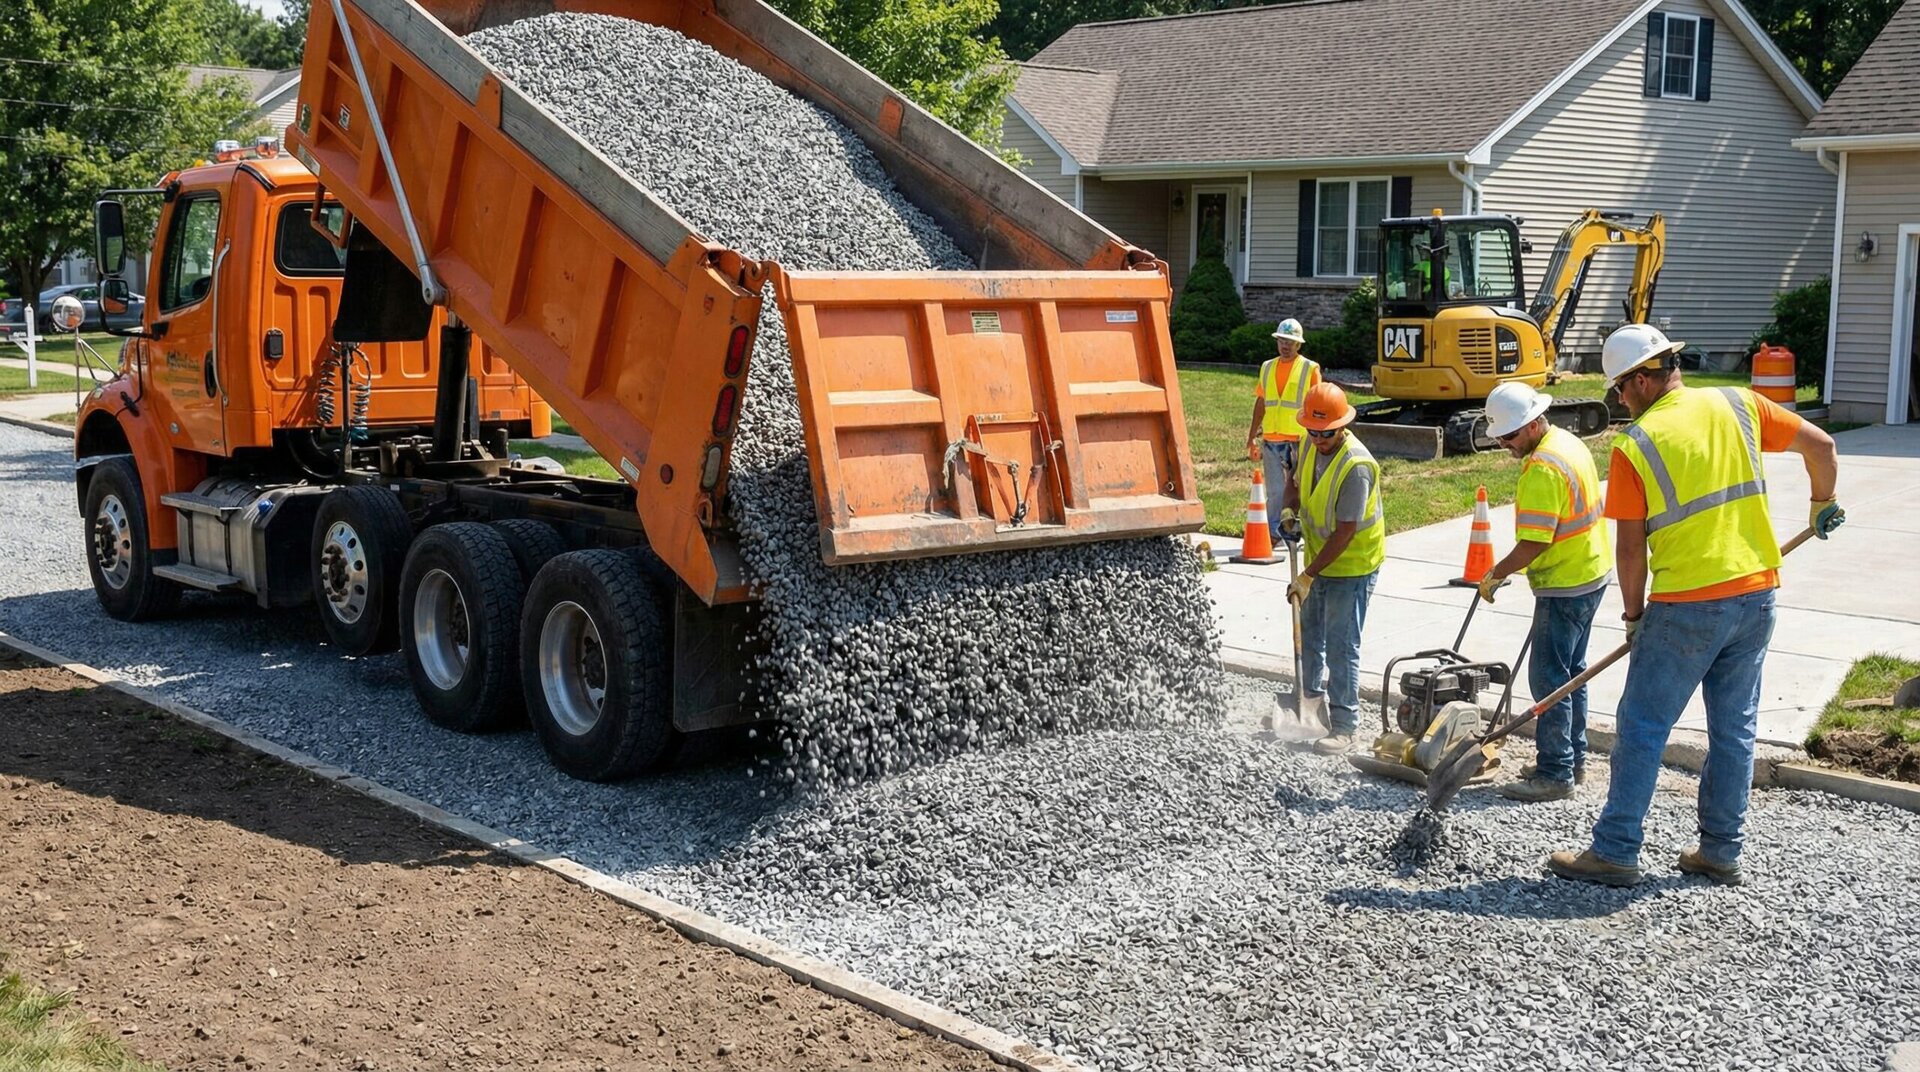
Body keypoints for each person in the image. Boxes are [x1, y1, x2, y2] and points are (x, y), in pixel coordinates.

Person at [1547, 324, 1844, 887]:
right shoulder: (1738, 403)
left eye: (1619, 389)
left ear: (1639, 381)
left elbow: (1630, 549)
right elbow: (1822, 447)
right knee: (1734, 729)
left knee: (1642, 725)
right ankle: (1720, 850)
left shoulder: (1637, 444)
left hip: (1687, 605)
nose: (1619, 400)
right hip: (1756, 594)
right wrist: (1822, 503)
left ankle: (1614, 851)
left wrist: (1634, 617)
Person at [1473, 382, 1612, 803]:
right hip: (1590, 571)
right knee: (1572, 674)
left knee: (1549, 679)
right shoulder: (1566, 442)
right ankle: (1573, 759)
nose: (1505, 443)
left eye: (1511, 436)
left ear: (1534, 424)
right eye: (1499, 437)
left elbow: (1536, 541)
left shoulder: (1543, 468)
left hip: (1565, 583)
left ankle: (1555, 773)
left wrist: (1496, 573)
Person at [1281, 382, 1385, 754]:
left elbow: (1344, 532)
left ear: (1342, 426)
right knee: (1308, 633)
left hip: (1352, 565)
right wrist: (1288, 510)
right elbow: (1294, 482)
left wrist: (1308, 576)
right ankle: (1307, 704)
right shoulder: (1308, 443)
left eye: (1326, 433)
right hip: (1318, 560)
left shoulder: (1357, 467)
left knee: (1341, 646)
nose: (1318, 438)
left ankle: (1344, 725)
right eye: (1313, 430)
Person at [1245, 318, 1321, 545]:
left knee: (1303, 489)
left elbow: (1318, 405)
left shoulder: (1310, 368)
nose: (1285, 345)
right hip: (1271, 439)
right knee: (1276, 492)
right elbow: (1261, 402)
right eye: (1282, 341)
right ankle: (1275, 533)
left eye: (1290, 342)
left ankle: (1305, 532)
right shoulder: (1267, 367)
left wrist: (1317, 439)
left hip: (1299, 440)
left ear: (1299, 345)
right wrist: (1251, 438)